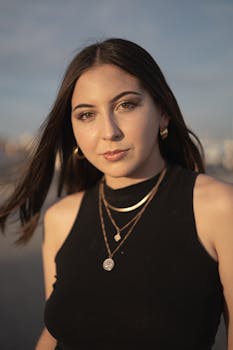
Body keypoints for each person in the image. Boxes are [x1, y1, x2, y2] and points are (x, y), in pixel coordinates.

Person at [0, 38, 233, 350]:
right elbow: (55, 333)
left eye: (126, 105)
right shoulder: (60, 218)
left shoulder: (217, 208)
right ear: (74, 130)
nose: (109, 131)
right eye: (86, 114)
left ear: (162, 113)